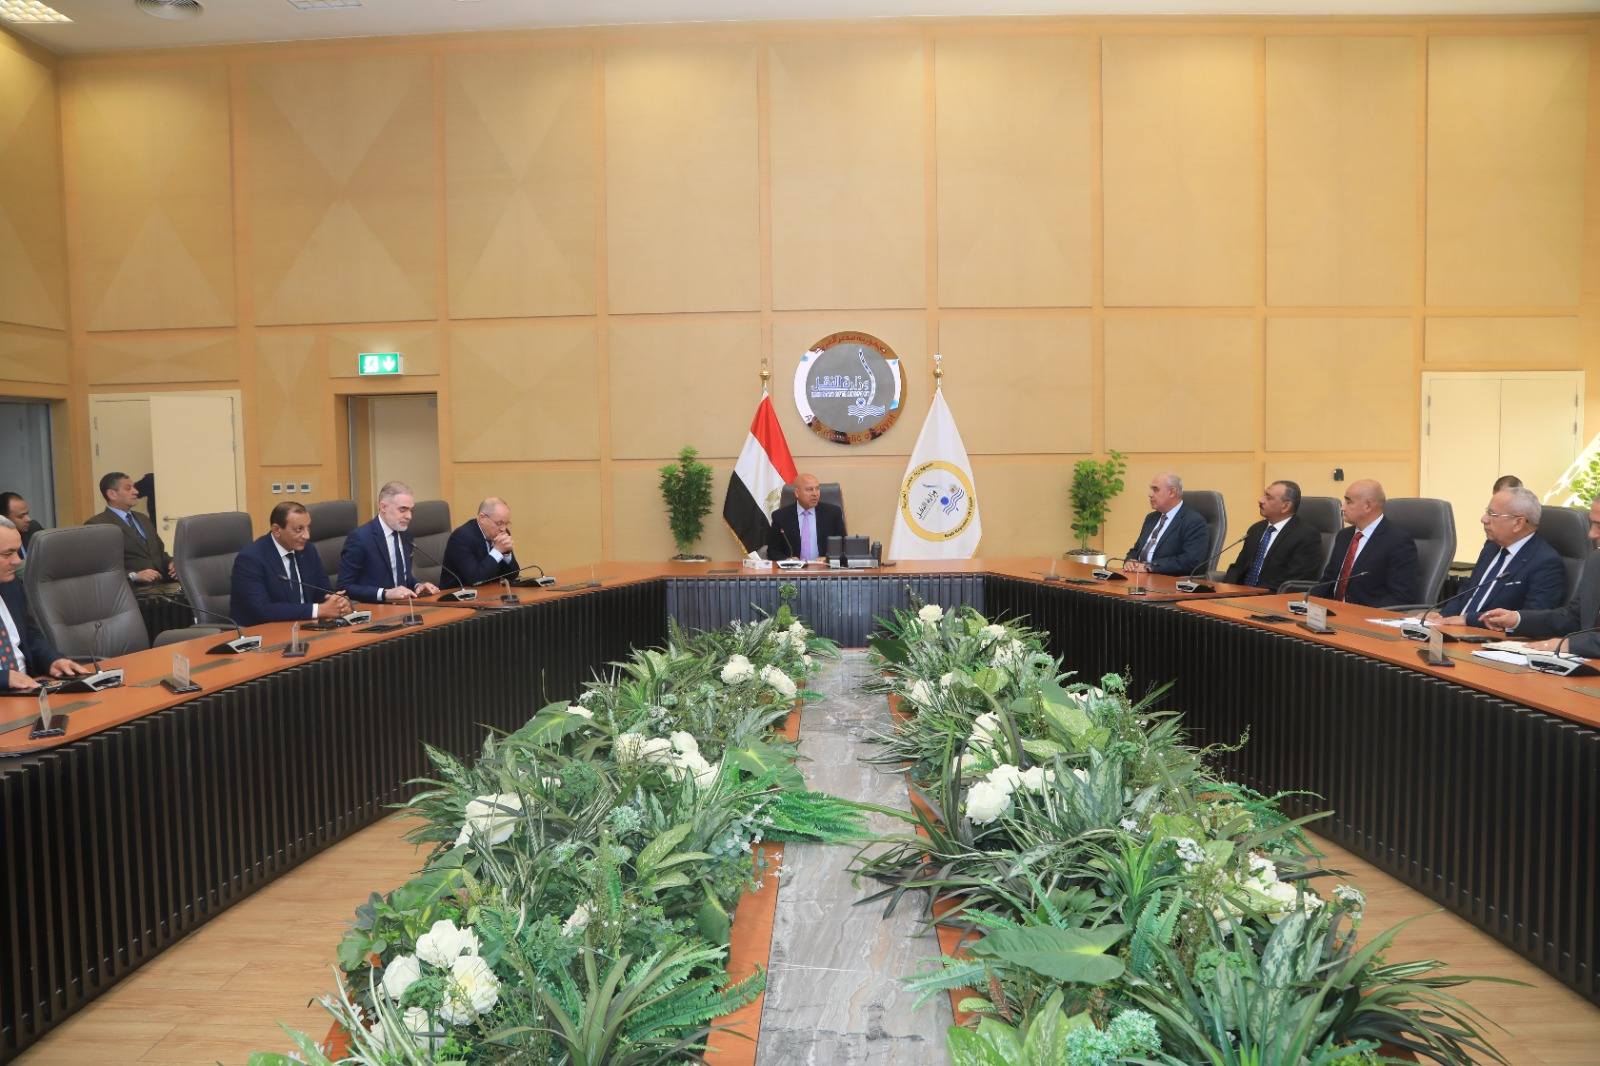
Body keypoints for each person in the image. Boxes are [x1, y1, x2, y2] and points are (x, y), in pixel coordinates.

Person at [1481, 496, 1600, 657]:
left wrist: (1570, 644)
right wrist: (1517, 619)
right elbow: (1573, 618)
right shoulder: (1596, 561)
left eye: (1599, 525)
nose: (1591, 534)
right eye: (1592, 523)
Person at [1429, 486, 1564, 627]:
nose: (1483, 519)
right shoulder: (1491, 547)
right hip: (1454, 631)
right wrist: (1442, 616)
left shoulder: (1545, 562)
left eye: (1492, 514)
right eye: (1486, 512)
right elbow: (1466, 593)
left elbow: (1531, 619)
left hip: (1485, 636)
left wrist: (1468, 620)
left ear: (1518, 523)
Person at [0, 517, 91, 690]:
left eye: (17, 551)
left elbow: (30, 637)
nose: (17, 561)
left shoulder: (11, 585)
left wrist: (52, 660)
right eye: (7, 554)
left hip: (29, 689)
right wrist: (3, 678)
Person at [230, 502, 353, 626]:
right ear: (277, 530)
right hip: (263, 632)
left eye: (308, 528)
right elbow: (262, 609)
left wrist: (339, 603)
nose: (307, 536)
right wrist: (318, 610)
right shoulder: (251, 559)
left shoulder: (308, 550)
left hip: (306, 628)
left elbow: (323, 592)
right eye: (299, 529)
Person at [1316, 479, 1418, 608]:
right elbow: (1328, 580)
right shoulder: (1344, 536)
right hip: (1330, 611)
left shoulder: (1398, 541)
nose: (1342, 507)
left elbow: (1401, 596)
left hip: (1366, 614)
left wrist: (1359, 614)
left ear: (1368, 506)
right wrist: (1304, 603)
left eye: (1349, 502)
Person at [337, 481, 440, 604]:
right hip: (376, 608)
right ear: (383, 507)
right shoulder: (360, 538)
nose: (409, 516)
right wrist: (384, 593)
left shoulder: (406, 535)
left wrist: (418, 586)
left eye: (411, 510)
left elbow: (403, 578)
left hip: (406, 606)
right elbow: (344, 587)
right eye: (403, 509)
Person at [1222, 480, 1324, 590]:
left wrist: (1255, 593)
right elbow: (1238, 567)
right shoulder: (1256, 529)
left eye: (1268, 497)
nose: (1261, 500)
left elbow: (1296, 579)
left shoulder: (1306, 536)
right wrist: (1224, 590)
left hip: (1272, 596)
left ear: (1285, 506)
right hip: (1240, 594)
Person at [85, 471, 175, 584]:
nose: (136, 491)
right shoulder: (97, 525)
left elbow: (159, 553)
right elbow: (100, 568)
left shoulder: (143, 518)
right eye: (128, 488)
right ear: (112, 494)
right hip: (132, 589)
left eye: (134, 487)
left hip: (162, 584)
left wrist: (172, 563)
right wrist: (134, 576)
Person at [1124, 472, 1208, 575]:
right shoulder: (1151, 518)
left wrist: (1150, 567)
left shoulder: (1193, 521)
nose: (1150, 494)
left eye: (1155, 489)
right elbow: (1136, 549)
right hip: (1137, 576)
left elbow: (1190, 560)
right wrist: (1130, 561)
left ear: (1172, 492)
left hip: (1165, 580)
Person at [441, 497, 519, 588]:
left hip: (491, 592)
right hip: (458, 594)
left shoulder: (501, 533)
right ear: (482, 518)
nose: (503, 529)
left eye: (506, 523)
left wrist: (506, 554)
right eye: (499, 523)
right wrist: (497, 551)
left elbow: (513, 575)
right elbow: (475, 580)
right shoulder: (461, 537)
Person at [769, 473, 845, 561]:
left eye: (817, 489)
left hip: (825, 567)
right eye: (809, 490)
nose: (815, 494)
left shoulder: (833, 513)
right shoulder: (780, 517)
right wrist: (787, 560)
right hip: (794, 568)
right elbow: (772, 550)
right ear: (797, 493)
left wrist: (828, 558)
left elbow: (844, 546)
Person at [0, 492, 42, 558]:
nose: (28, 519)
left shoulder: (34, 528)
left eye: (27, 513)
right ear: (4, 518)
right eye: (21, 516)